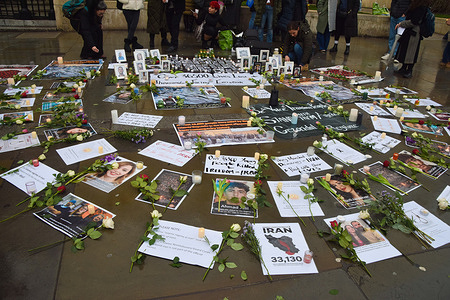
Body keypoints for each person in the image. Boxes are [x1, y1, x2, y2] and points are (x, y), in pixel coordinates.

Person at [394, 0, 430, 78]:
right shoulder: (415, 4)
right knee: (405, 49)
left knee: (411, 51)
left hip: (415, 31)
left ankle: (409, 70)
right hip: (409, 30)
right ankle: (403, 67)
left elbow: (415, 21)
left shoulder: (422, 6)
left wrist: (402, 24)